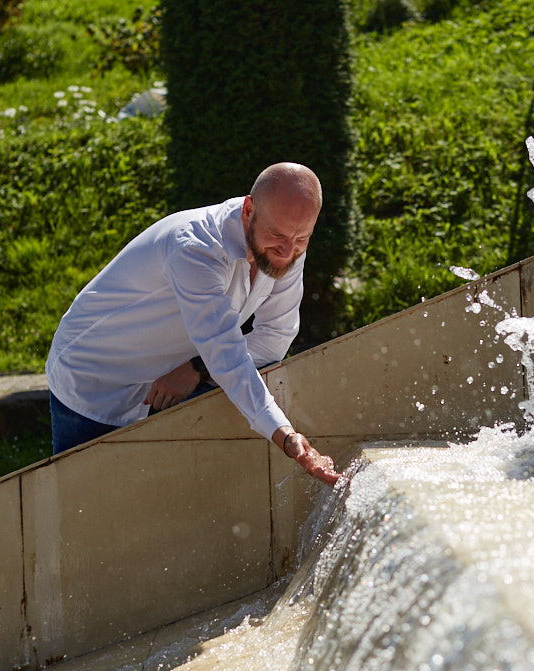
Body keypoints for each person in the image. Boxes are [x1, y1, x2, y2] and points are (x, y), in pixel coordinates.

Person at [45, 162, 340, 485]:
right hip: (94, 379)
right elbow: (227, 358)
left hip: (163, 376)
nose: (287, 252)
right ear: (248, 210)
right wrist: (286, 437)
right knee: (85, 502)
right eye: (276, 235)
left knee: (154, 498)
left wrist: (197, 368)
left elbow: (275, 338)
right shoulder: (196, 248)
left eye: (302, 239)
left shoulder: (286, 241)